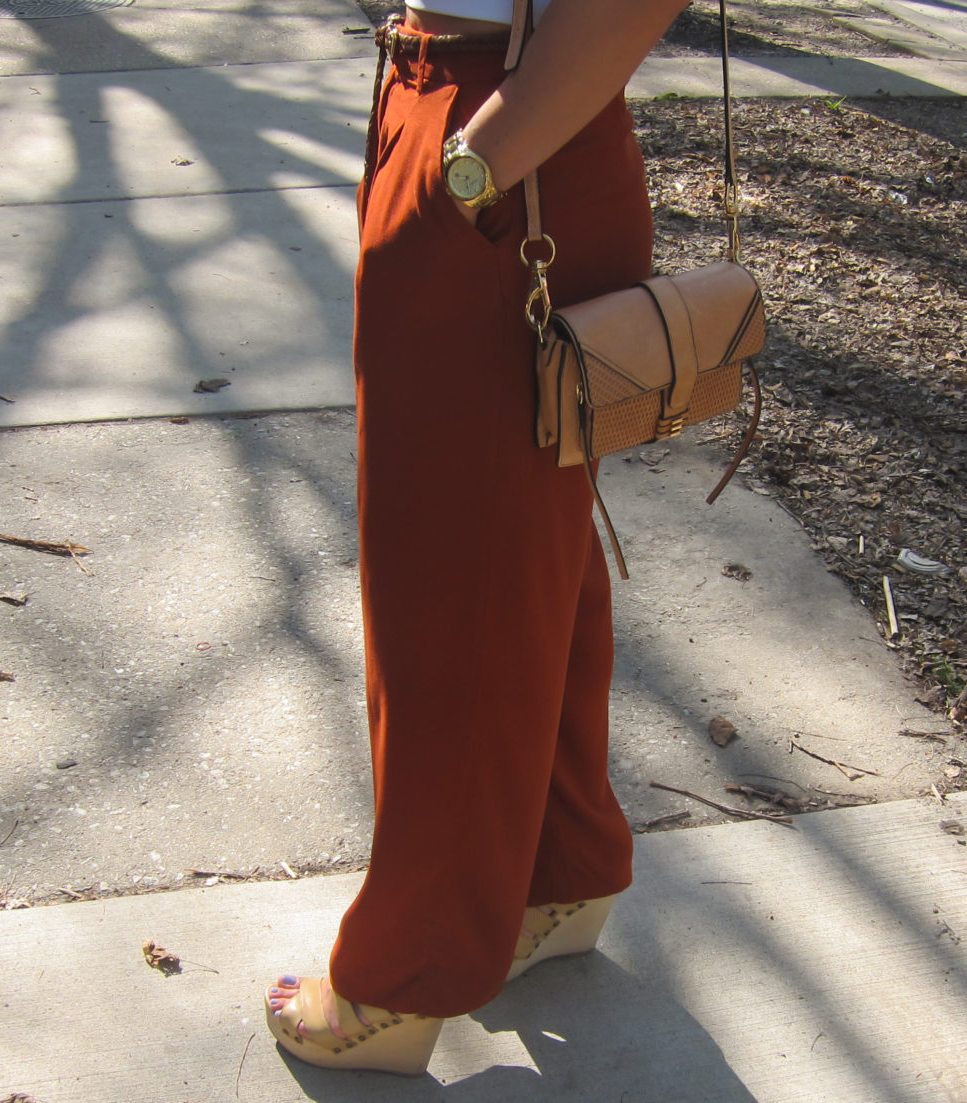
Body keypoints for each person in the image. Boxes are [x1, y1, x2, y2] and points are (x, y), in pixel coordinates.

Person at [264, 0, 692, 1075]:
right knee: (515, 554)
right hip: (481, 119)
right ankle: (557, 868)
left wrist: (466, 170)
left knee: (448, 579)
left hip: (505, 144)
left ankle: (402, 982)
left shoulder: (482, 164)